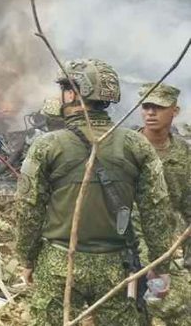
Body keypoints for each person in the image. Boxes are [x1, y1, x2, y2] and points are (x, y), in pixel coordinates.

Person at [16, 59, 174, 326]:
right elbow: (157, 211)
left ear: (74, 93)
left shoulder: (47, 146)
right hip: (119, 267)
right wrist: (160, 267)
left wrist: (27, 258)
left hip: (59, 265)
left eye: (65, 89)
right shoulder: (137, 145)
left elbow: (28, 209)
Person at [136, 83, 191, 326]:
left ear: (174, 111)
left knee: (175, 307)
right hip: (129, 244)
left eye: (158, 107)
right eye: (146, 106)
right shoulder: (127, 147)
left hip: (167, 247)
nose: (150, 113)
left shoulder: (183, 153)